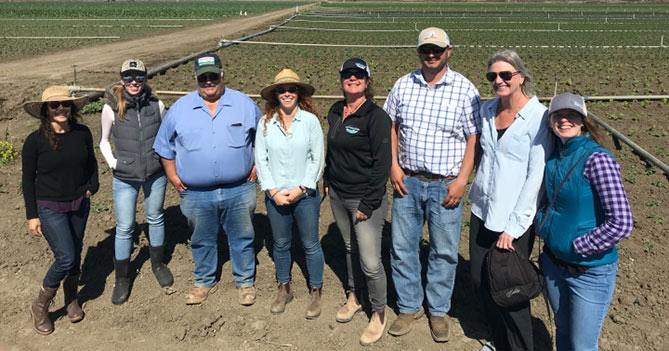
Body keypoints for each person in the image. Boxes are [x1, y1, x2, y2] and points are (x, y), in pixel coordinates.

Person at [383, 27, 481, 343]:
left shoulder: (465, 89)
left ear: (449, 51)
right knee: (402, 248)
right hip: (408, 182)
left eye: (437, 49)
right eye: (426, 49)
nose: (431, 54)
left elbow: (473, 138)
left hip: (446, 185)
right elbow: (391, 127)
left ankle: (438, 311)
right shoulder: (403, 85)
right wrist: (394, 166)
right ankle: (409, 306)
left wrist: (462, 180)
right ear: (419, 51)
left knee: (444, 251)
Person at [153, 53, 261, 306]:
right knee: (201, 238)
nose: (209, 82)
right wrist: (171, 174)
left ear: (222, 75)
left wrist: (257, 164)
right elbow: (164, 146)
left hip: (239, 188)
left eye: (213, 76)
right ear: (196, 79)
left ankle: (245, 281)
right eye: (203, 78)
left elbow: (262, 138)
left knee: (243, 237)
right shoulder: (180, 109)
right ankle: (204, 281)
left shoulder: (244, 104)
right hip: (196, 191)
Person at [468, 49, 553, 351]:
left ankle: (520, 347)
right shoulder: (488, 110)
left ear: (521, 77)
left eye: (506, 75)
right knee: (481, 282)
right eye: (493, 76)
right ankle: (498, 341)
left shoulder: (539, 118)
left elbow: (536, 176)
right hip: (481, 210)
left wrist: (514, 228)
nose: (499, 80)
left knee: (510, 289)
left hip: (512, 221)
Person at [536, 93, 633, 351]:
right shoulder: (555, 158)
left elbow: (622, 222)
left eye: (572, 115)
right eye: (558, 115)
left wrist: (580, 246)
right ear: (551, 121)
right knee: (563, 333)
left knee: (582, 345)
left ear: (583, 121)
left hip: (589, 272)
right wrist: (543, 225)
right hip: (555, 265)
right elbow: (549, 203)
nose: (564, 120)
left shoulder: (597, 160)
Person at [324, 58, 392, 346]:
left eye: (358, 75)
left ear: (367, 81)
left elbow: (382, 165)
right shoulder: (335, 111)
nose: (353, 79)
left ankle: (378, 313)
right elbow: (333, 150)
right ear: (341, 80)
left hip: (364, 198)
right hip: (338, 195)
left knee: (370, 261)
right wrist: (327, 179)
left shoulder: (376, 117)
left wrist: (369, 202)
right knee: (349, 249)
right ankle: (354, 296)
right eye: (348, 75)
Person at [21, 86, 99, 335]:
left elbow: (91, 162)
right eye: (54, 105)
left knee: (75, 252)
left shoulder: (82, 133)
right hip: (49, 206)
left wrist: (92, 186)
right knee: (65, 257)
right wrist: (32, 215)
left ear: (71, 107)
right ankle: (40, 306)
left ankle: (71, 298)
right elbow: (27, 179)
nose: (60, 108)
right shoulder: (35, 141)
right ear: (46, 110)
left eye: (65, 104)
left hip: (78, 203)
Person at [99, 59, 173, 305]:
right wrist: (114, 163)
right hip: (125, 177)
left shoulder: (157, 104)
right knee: (125, 226)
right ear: (121, 79)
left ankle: (158, 263)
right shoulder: (111, 108)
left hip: (154, 173)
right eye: (129, 77)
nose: (134, 82)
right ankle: (122, 277)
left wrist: (165, 160)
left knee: (156, 217)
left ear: (145, 79)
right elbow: (103, 141)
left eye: (139, 77)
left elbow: (167, 133)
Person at [255, 69, 325, 318]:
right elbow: (261, 160)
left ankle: (315, 290)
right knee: (281, 244)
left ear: (299, 93)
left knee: (310, 243)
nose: (286, 93)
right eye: (281, 90)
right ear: (275, 95)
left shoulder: (310, 122)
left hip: (304, 196)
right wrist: (273, 191)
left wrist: (301, 188)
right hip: (276, 197)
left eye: (291, 89)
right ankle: (284, 287)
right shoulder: (265, 123)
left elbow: (317, 159)